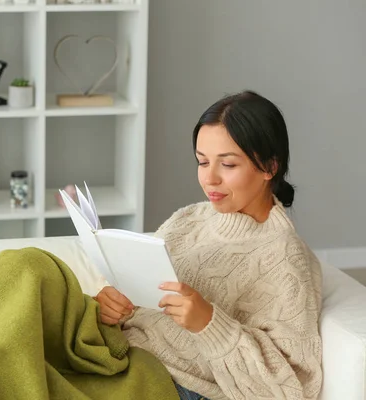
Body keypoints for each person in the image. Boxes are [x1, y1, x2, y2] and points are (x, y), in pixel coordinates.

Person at [94, 90, 323, 400]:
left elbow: (288, 390)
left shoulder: (284, 256)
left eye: (227, 165)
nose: (209, 179)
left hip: (167, 381)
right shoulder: (188, 218)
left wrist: (209, 324)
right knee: (30, 267)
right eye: (202, 162)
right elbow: (137, 297)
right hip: (113, 348)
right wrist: (111, 304)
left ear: (269, 167)